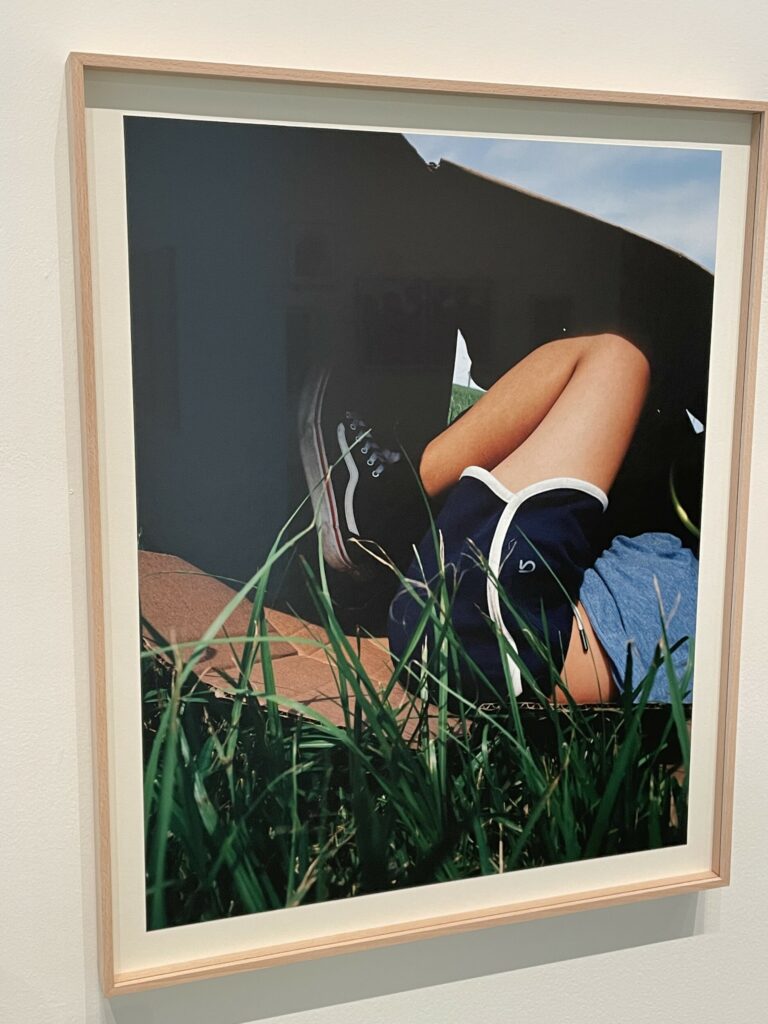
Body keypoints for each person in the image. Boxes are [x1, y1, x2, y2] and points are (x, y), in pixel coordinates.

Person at [302, 332, 698, 709]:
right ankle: (407, 526)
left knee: (619, 356)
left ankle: (389, 504)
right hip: (495, 638)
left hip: (485, 631)